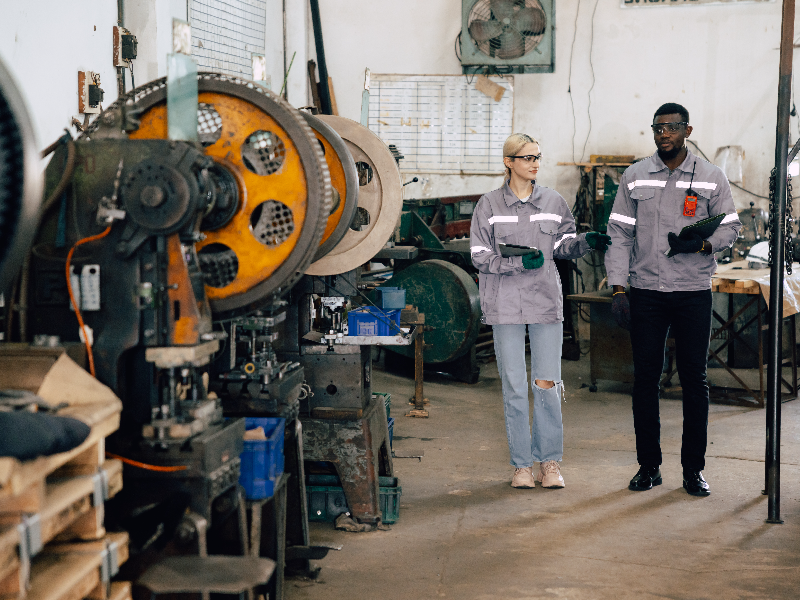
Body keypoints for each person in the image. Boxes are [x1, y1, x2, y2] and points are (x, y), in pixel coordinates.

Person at [605, 103, 742, 497]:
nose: (663, 134)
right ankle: (648, 467)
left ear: (687, 130)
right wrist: (618, 287)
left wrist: (702, 243)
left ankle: (692, 470)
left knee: (695, 380)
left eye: (671, 127)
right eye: (657, 128)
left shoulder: (711, 177)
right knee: (646, 380)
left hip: (692, 292)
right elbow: (619, 234)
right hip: (646, 292)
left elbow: (730, 226)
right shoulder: (635, 177)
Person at [470, 133, 611, 489]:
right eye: (527, 157)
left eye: (538, 156)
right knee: (515, 387)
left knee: (547, 384)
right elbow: (478, 256)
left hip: (545, 303)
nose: (535, 162)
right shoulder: (488, 205)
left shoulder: (553, 201)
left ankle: (549, 463)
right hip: (504, 305)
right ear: (508, 162)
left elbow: (563, 245)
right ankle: (520, 466)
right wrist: (517, 263)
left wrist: (584, 242)